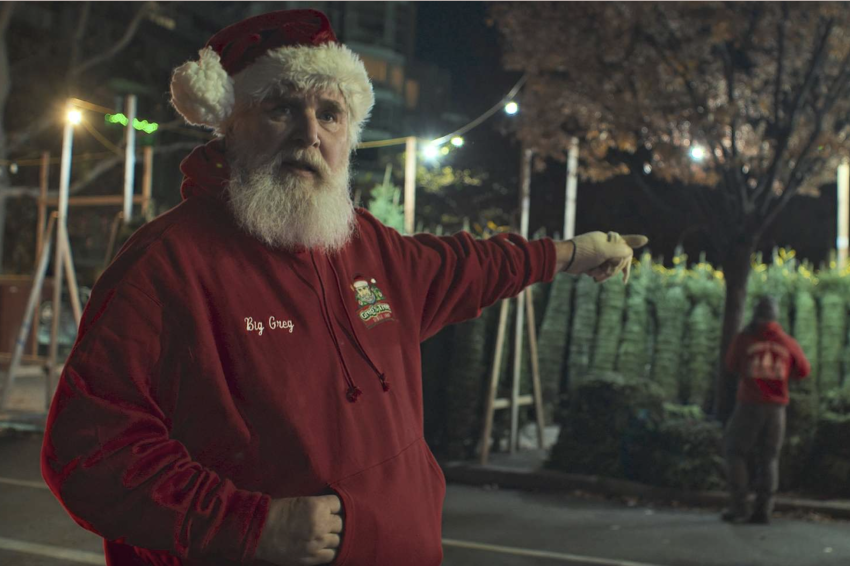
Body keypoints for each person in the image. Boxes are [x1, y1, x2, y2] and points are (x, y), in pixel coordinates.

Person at [40, 9, 647, 566]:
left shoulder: (368, 248)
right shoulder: (166, 267)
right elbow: (90, 450)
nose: (310, 134)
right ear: (230, 124)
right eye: (281, 107)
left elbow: (473, 266)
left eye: (329, 114)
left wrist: (572, 253)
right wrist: (248, 524)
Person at [721, 296, 810, 525]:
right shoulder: (787, 342)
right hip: (777, 408)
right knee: (769, 458)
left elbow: (730, 365)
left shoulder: (744, 339)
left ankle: (739, 506)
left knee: (734, 451)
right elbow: (804, 370)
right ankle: (763, 511)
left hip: (749, 404)